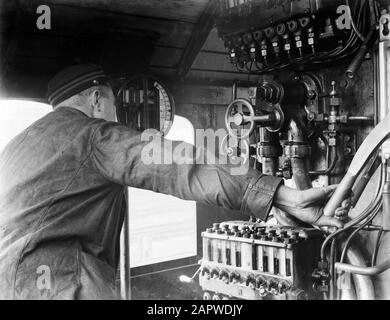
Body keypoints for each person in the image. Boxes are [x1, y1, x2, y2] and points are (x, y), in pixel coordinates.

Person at [0, 64, 348, 300]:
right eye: (112, 105)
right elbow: (179, 165)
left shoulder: (20, 143)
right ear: (95, 100)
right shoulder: (91, 135)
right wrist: (281, 194)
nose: (116, 118)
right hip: (60, 284)